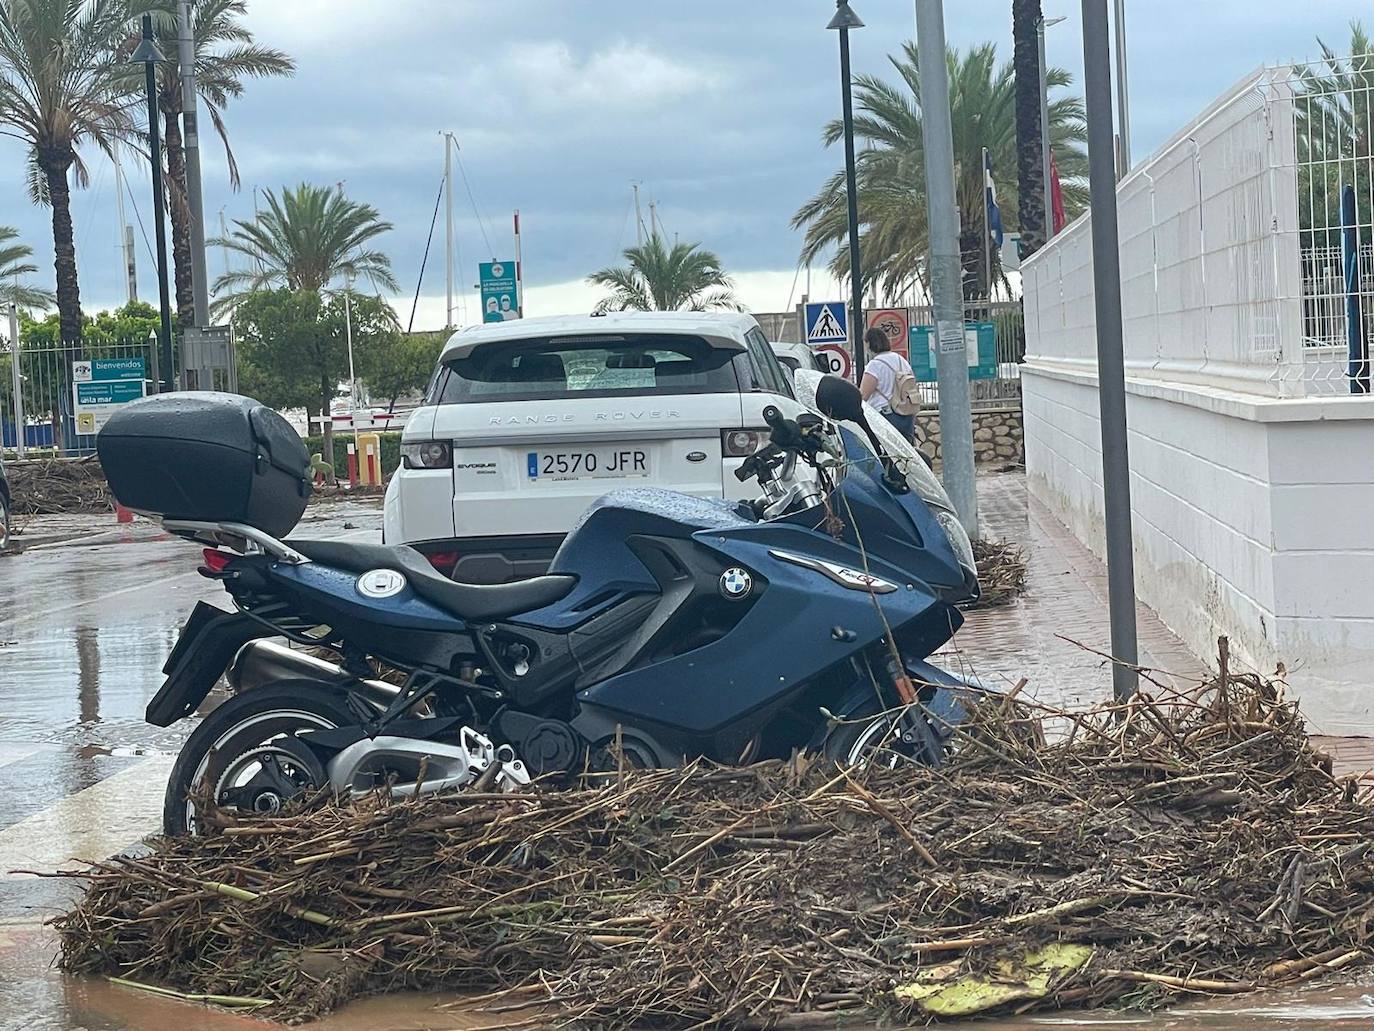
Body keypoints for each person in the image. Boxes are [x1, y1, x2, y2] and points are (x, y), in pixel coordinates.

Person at [859, 327, 916, 441]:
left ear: (870, 344)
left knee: (886, 455)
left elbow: (863, 395)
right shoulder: (901, 360)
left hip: (885, 417)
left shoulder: (875, 365)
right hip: (906, 415)